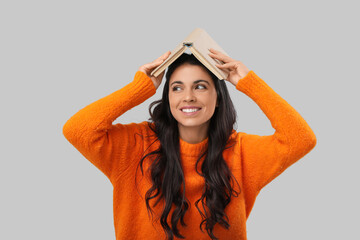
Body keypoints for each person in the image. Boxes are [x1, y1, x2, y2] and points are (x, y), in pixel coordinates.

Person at [62, 48, 317, 240]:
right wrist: (139, 88)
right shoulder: (135, 144)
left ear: (218, 98)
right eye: (177, 88)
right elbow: (77, 130)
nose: (188, 97)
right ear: (168, 97)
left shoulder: (241, 151)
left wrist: (248, 82)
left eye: (201, 86)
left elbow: (300, 139)